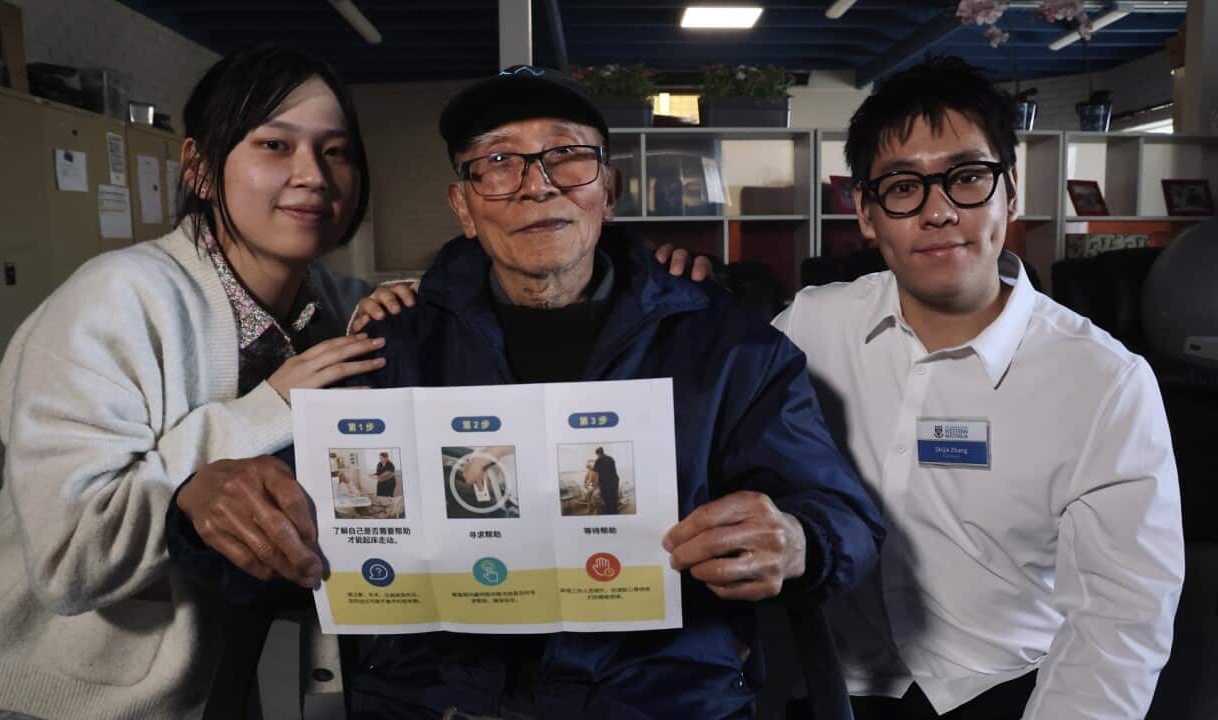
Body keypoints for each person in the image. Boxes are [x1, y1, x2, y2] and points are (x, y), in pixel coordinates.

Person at [169, 65, 885, 719]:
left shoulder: (731, 350)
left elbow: (842, 518)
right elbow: (275, 548)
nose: (537, 185)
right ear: (463, 205)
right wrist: (202, 512)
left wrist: (796, 540)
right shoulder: (385, 350)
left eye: (567, 156)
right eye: (499, 163)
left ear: (610, 188)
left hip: (660, 703)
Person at [0, 46, 382, 720]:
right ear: (200, 169)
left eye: (336, 151)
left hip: (220, 677)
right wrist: (269, 408)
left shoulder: (341, 304)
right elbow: (70, 561)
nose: (312, 176)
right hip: (58, 689)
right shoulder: (116, 299)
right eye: (274, 145)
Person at [774, 57, 1183, 719]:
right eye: (904, 187)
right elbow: (705, 404)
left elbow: (1121, 620)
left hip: (1003, 691)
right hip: (826, 686)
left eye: (966, 178)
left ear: (1010, 194)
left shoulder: (1103, 382)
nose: (939, 212)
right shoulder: (812, 325)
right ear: (869, 217)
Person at [592, 445, 620, 514]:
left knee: (607, 501)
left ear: (597, 454)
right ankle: (615, 513)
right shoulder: (611, 458)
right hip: (614, 481)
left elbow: (596, 474)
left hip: (606, 483)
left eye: (597, 455)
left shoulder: (598, 460)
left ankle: (608, 514)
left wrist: (596, 486)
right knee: (614, 499)